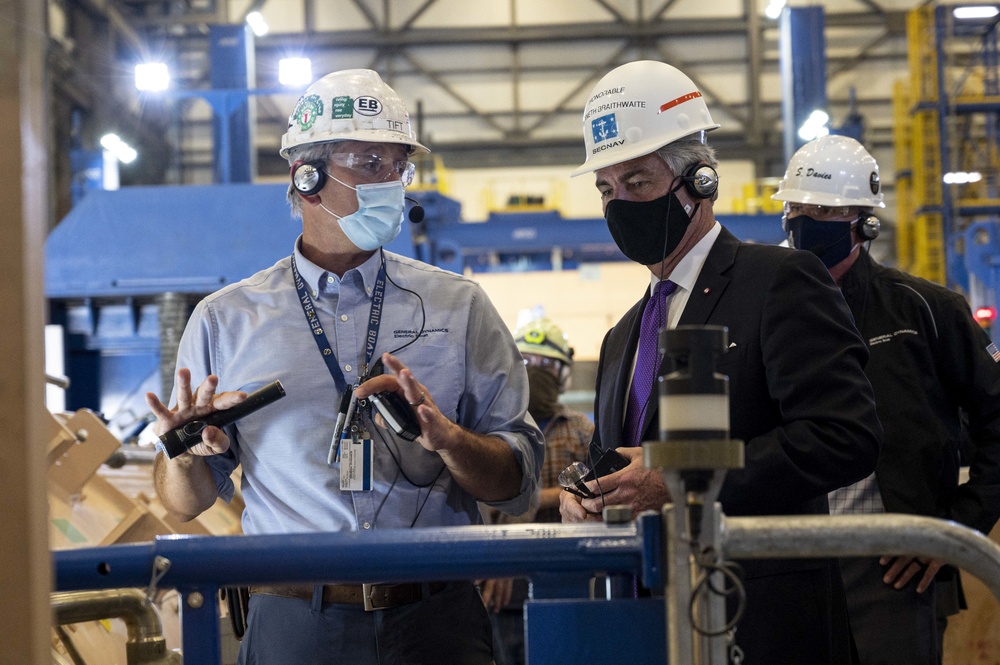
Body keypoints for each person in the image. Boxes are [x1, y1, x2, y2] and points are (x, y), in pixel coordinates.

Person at [145, 68, 544, 665]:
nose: (393, 184)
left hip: (436, 620)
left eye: (399, 167)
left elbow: (518, 483)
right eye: (369, 163)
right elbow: (184, 502)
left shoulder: (460, 308)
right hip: (293, 621)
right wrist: (186, 451)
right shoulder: (226, 321)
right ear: (305, 177)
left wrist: (451, 441)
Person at [558, 60, 883, 664]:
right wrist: (594, 493)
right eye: (607, 189)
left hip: (762, 619)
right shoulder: (621, 336)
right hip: (648, 618)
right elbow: (629, 456)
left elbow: (845, 436)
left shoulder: (781, 282)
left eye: (638, 181)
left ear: (699, 181)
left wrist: (680, 486)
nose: (620, 204)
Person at [772, 134, 1000, 665]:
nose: (805, 220)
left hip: (892, 569)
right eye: (796, 207)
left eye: (824, 210)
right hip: (784, 559)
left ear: (864, 222)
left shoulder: (924, 311)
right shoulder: (766, 313)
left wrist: (950, 530)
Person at [480, 317, 594, 665]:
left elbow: (595, 495)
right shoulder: (493, 432)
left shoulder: (581, 430)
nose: (537, 370)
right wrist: (555, 495)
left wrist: (538, 498)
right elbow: (480, 501)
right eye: (528, 362)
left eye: (548, 364)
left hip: (569, 573)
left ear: (563, 374)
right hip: (503, 582)